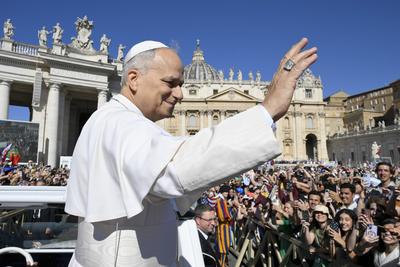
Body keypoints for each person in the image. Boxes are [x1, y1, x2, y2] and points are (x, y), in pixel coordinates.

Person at [65, 38, 318, 266]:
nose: (180, 94)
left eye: (182, 84)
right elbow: (173, 170)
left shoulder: (113, 120)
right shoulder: (120, 123)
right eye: (171, 83)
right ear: (133, 79)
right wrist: (267, 110)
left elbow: (158, 193)